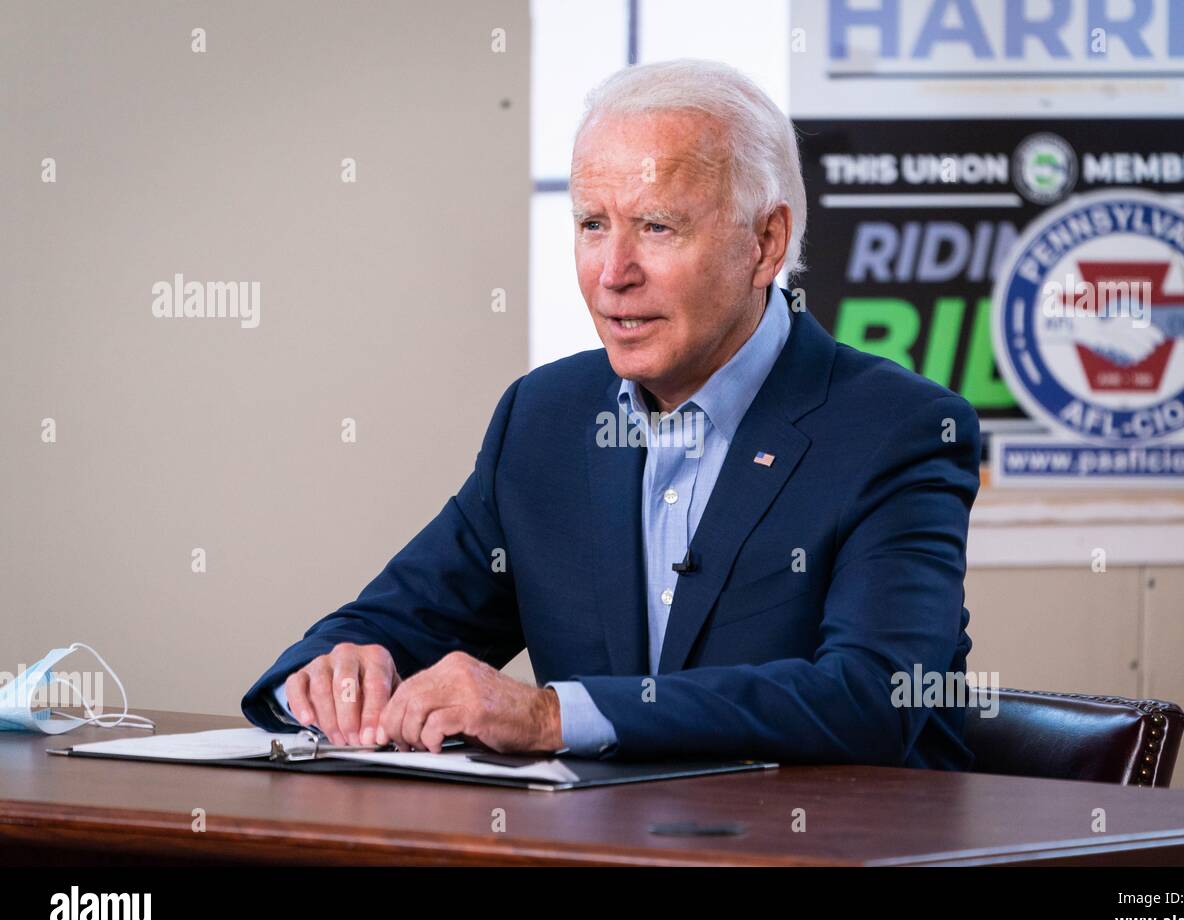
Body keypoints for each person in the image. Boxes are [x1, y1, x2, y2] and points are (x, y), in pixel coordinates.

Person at [242, 58, 981, 768]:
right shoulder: (545, 419)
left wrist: (551, 717)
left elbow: (870, 700)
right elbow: (392, 624)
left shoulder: (899, 431)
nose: (612, 273)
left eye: (657, 227)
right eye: (593, 224)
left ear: (766, 243)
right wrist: (332, 674)